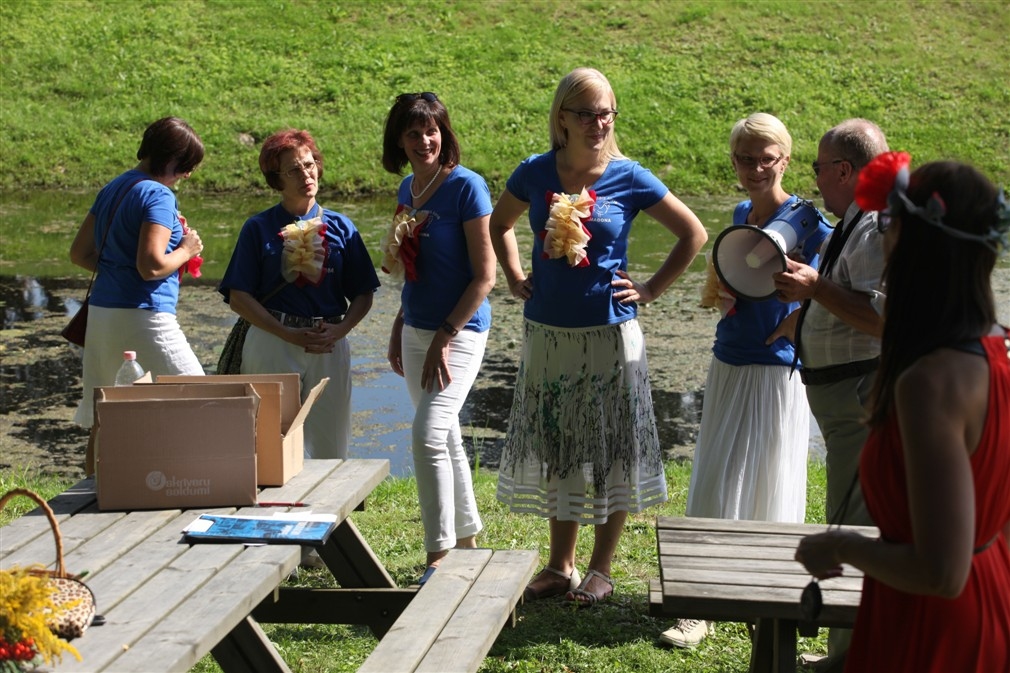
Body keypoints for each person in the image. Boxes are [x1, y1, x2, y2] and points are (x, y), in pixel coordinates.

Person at [490, 67, 707, 607]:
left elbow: (694, 233)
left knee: (615, 447)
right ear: (561, 118)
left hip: (611, 334)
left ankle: (601, 569)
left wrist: (651, 288)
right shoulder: (535, 172)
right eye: (585, 113)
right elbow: (498, 225)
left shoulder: (629, 176)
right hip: (549, 335)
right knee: (561, 441)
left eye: (605, 112)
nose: (597, 123)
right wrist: (516, 277)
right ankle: (560, 565)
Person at [795, 154, 1010, 673]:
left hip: (933, 622)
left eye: (887, 223)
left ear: (914, 244)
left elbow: (940, 572)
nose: (882, 238)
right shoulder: (997, 351)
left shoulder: (929, 386)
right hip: (991, 594)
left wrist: (842, 543)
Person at [661, 113, 831, 648]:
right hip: (730, 357)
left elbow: (832, 285)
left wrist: (791, 322)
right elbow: (737, 276)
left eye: (766, 158)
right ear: (733, 162)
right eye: (745, 158)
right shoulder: (740, 213)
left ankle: (769, 596)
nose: (756, 168)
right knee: (717, 472)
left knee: (769, 474)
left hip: (777, 367)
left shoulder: (807, 221)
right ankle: (700, 605)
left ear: (784, 160)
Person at [771, 119, 889, 668]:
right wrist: (806, 315)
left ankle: (851, 656)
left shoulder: (873, 227)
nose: (816, 180)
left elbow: (878, 317)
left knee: (857, 526)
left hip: (859, 401)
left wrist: (816, 288)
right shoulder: (859, 220)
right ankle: (849, 648)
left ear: (844, 170)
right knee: (849, 516)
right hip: (845, 404)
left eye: (819, 169)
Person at [379, 92, 495, 583]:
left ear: (445, 133)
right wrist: (400, 321)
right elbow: (413, 269)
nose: (424, 140)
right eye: (413, 133)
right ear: (399, 141)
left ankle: (439, 555)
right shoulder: (409, 187)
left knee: (426, 435)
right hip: (416, 327)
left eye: (432, 130)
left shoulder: (467, 187)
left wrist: (445, 335)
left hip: (460, 331)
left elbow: (485, 276)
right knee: (444, 437)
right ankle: (467, 540)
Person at [218, 129, 379, 460]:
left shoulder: (343, 227)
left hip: (329, 342)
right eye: (294, 169)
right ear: (276, 179)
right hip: (273, 341)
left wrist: (341, 329)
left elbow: (363, 293)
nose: (306, 174)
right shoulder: (258, 228)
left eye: (310, 164)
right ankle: (271, 509)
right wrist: (285, 332)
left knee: (331, 443)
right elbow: (238, 296)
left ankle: (331, 511)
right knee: (269, 443)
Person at [69, 116, 206, 474]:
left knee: (107, 412)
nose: (187, 175)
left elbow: (80, 254)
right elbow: (152, 266)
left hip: (102, 314)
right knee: (202, 397)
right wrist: (187, 249)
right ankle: (200, 480)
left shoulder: (114, 187)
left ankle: (91, 493)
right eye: (186, 166)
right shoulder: (159, 194)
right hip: (143, 316)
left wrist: (118, 270)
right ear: (172, 158)